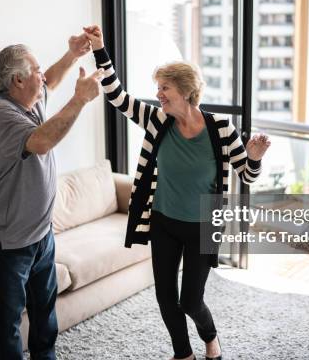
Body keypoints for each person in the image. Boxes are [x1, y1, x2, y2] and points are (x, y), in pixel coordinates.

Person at [83, 25, 270, 360]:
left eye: (164, 88)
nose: (159, 94)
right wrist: (100, 48)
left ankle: (211, 339)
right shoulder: (158, 120)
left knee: (190, 300)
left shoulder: (220, 129)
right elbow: (117, 96)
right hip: (164, 221)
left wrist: (253, 157)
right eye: (158, 88)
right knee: (166, 296)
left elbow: (247, 174)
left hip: (201, 225)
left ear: (185, 91)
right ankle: (183, 354)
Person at [0, 36, 102, 360]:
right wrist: (80, 100)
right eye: (34, 70)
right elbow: (43, 141)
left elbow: (51, 78)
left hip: (41, 233)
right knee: (8, 325)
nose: (41, 75)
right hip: (9, 242)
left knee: (45, 315)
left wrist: (73, 55)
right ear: (17, 80)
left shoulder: (27, 99)